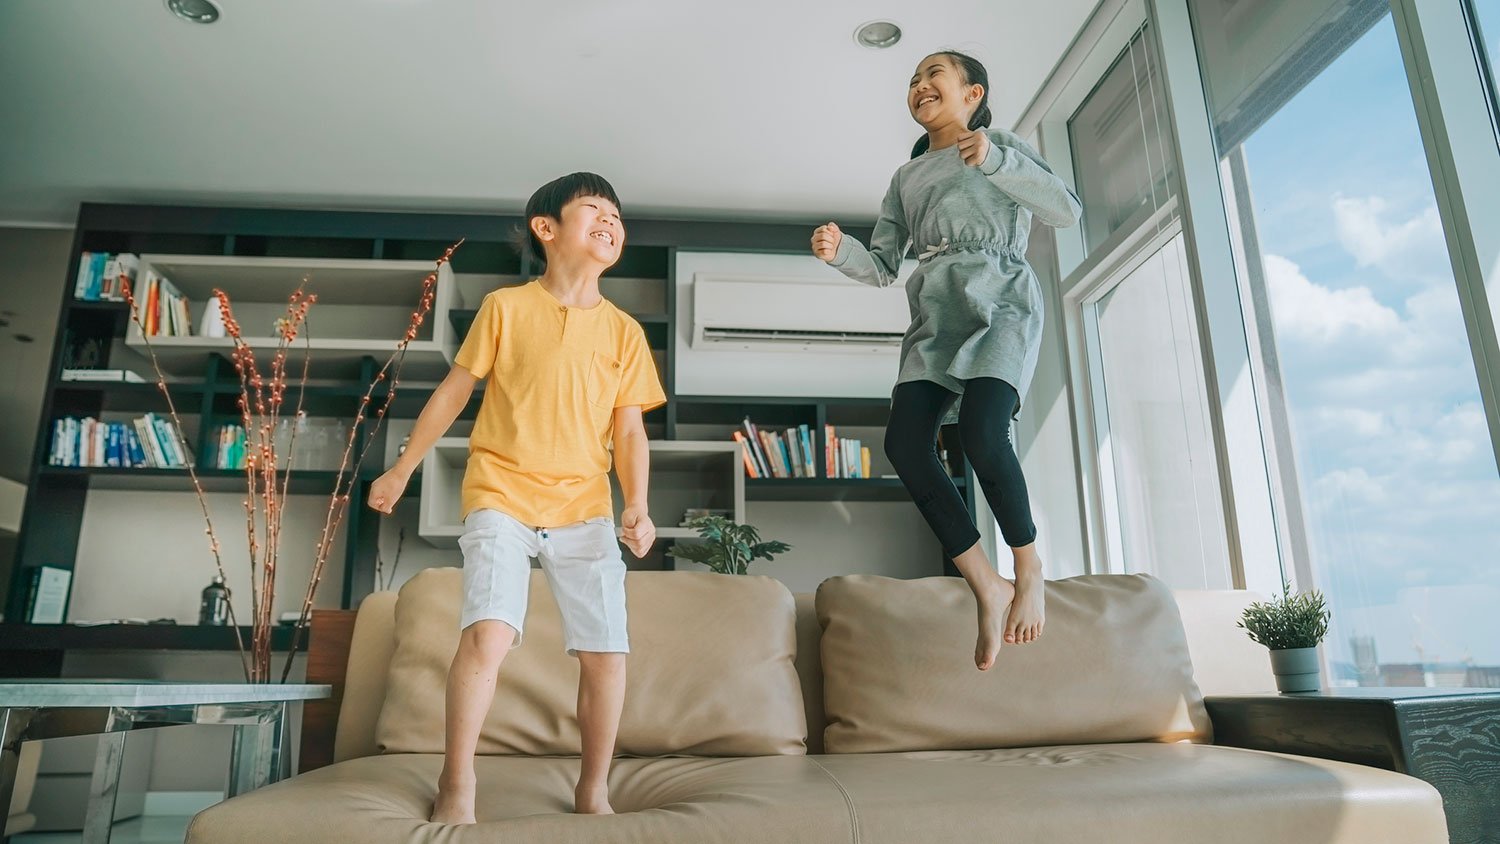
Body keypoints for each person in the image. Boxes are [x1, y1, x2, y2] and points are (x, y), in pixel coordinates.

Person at [369, 172, 666, 823]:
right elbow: (453, 392)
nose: (610, 220)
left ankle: (594, 790)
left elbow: (629, 429)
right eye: (594, 208)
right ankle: (457, 783)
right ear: (547, 228)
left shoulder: (625, 334)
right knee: (490, 632)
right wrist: (403, 469)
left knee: (607, 650)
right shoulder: (505, 308)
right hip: (501, 492)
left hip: (584, 506)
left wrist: (636, 503)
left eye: (617, 215)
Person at [811, 50, 1081, 671]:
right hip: (935, 313)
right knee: (907, 445)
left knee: (984, 433)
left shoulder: (1001, 145)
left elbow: (1065, 211)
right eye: (912, 80)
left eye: (933, 75)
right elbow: (881, 265)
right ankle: (986, 584)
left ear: (972, 93)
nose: (919, 85)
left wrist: (997, 160)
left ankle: (1028, 564)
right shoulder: (906, 178)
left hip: (1001, 302)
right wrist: (840, 251)